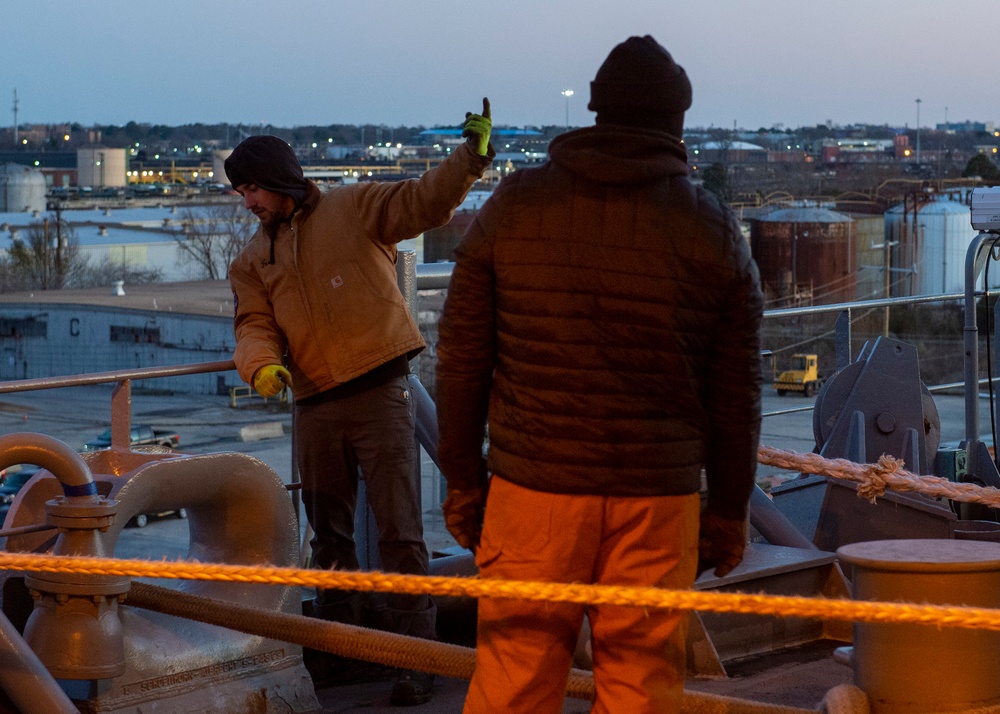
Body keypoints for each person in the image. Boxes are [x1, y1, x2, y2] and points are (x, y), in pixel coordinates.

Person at [436, 37, 762, 714]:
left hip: (533, 494)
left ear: (596, 110)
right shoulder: (713, 229)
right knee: (642, 692)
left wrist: (465, 483)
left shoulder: (515, 207)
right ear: (675, 122)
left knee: (513, 685)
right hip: (656, 502)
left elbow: (462, 360)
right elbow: (735, 397)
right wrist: (728, 512)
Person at [227, 101, 494, 707]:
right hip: (315, 403)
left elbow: (424, 201)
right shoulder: (252, 259)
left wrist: (470, 159)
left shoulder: (353, 207)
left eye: (251, 190)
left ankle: (415, 659)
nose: (247, 204)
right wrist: (260, 365)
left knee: (401, 535)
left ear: (278, 181)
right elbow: (253, 323)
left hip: (380, 393)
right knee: (330, 541)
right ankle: (342, 656)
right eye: (242, 193)